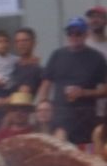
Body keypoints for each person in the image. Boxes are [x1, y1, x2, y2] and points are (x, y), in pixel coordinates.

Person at [45, 17, 107, 145]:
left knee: (84, 150)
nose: (74, 36)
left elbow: (105, 89)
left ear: (86, 35)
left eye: (78, 33)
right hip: (61, 113)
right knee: (59, 146)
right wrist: (43, 105)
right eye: (70, 33)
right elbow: (46, 84)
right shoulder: (57, 55)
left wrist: (84, 92)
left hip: (85, 115)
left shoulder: (96, 57)